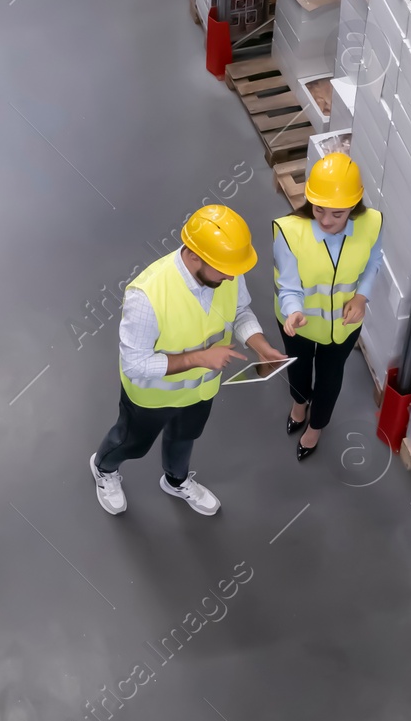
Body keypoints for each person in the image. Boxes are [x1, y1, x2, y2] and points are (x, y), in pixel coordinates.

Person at [91, 204, 287, 516]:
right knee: (131, 443)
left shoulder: (227, 271)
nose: (231, 276)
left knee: (184, 439)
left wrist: (260, 344)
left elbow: (239, 312)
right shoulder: (147, 295)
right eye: (224, 269)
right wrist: (200, 358)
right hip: (152, 397)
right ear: (194, 255)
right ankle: (103, 469)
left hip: (200, 392)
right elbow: (135, 365)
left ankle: (176, 480)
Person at [272, 153, 382, 461]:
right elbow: (289, 284)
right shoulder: (289, 231)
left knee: (331, 376)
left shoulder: (372, 223)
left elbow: (373, 263)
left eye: (337, 213)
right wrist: (293, 310)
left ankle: (316, 427)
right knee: (298, 368)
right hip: (299, 323)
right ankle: (298, 404)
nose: (326, 220)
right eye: (319, 209)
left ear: (354, 205)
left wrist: (362, 297)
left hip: (343, 326)